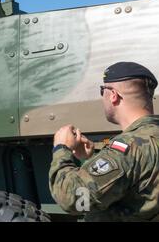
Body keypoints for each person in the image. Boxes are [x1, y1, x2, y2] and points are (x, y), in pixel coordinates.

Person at [49, 62, 159, 221]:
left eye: (103, 90)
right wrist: (90, 158)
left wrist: (61, 149)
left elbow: (75, 201)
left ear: (113, 95)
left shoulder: (128, 147)